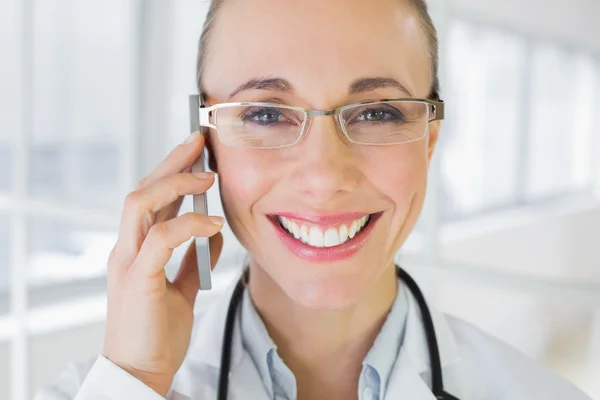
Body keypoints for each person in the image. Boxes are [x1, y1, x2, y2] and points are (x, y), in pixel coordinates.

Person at [36, 0, 592, 399]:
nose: (325, 177)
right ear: (202, 140)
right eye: (266, 114)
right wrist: (136, 380)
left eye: (378, 113)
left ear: (430, 138)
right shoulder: (106, 389)